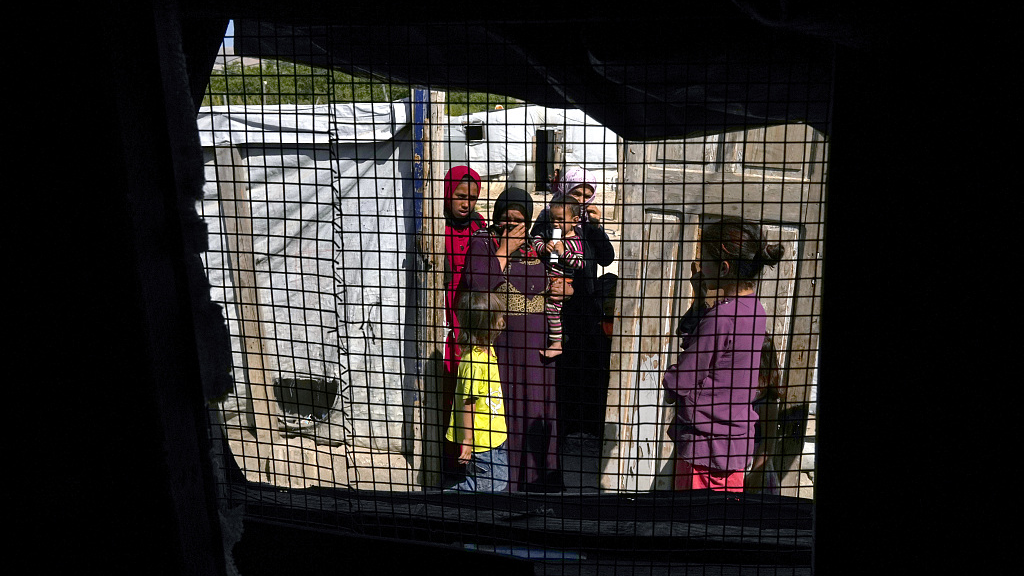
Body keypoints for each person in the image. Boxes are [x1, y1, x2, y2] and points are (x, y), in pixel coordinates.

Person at [662, 216, 784, 492]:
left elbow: (681, 380)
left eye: (704, 259)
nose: (699, 266)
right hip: (735, 448)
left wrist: (669, 382)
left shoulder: (721, 318)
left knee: (690, 524)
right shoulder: (756, 311)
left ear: (724, 268)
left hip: (703, 448)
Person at [461, 187, 568, 492]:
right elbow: (479, 282)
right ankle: (502, 483)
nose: (511, 226)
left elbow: (560, 278)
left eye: (518, 221)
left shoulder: (537, 247)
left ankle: (535, 483)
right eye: (505, 220)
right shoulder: (484, 242)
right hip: (501, 347)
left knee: (535, 410)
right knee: (504, 411)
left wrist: (565, 290)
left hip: (537, 348)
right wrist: (505, 248)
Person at [531, 167, 615, 438]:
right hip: (553, 298)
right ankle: (559, 428)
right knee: (558, 365)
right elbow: (537, 251)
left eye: (587, 194)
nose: (581, 199)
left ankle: (584, 429)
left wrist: (595, 227)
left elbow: (606, 258)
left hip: (584, 303)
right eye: (576, 192)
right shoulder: (551, 216)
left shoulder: (586, 223)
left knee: (583, 362)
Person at [440, 166, 486, 478]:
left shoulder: (479, 226)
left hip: (474, 311)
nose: (465, 204)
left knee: (473, 385)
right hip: (446, 310)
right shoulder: (435, 224)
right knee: (449, 381)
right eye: (460, 197)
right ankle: (448, 460)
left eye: (471, 198)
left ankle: (474, 458)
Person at [444, 290, 509, 492]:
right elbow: (467, 404)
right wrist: (468, 441)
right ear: (487, 325)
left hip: (496, 436)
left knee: (496, 483)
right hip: (482, 442)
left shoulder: (486, 347)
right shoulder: (474, 362)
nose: (503, 320)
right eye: (499, 317)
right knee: (485, 488)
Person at [531, 193, 586, 359]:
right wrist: (543, 248)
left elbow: (580, 263)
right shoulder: (550, 233)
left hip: (563, 283)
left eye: (560, 220)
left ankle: (556, 344)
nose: (555, 223)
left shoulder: (575, 241)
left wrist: (564, 253)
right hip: (548, 281)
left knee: (552, 309)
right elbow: (536, 240)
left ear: (575, 220)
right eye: (553, 219)